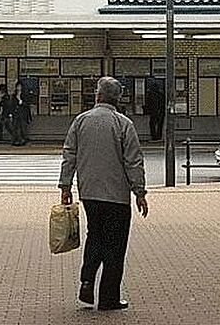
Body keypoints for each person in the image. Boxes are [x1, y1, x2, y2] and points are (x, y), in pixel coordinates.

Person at [59, 76, 148, 311]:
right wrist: (139, 192)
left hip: (89, 192)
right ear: (117, 99)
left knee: (95, 235)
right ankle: (108, 298)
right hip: (117, 196)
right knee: (115, 245)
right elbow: (133, 161)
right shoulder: (123, 124)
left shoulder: (81, 121)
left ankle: (87, 280)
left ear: (98, 96)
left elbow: (70, 154)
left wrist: (65, 186)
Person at [11, 81, 31, 146]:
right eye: (17, 86)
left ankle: (23, 140)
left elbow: (27, 104)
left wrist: (21, 102)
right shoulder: (14, 95)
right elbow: (12, 104)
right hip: (16, 114)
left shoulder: (24, 95)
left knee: (23, 127)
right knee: (16, 127)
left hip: (23, 114)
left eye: (20, 86)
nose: (18, 88)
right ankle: (16, 140)